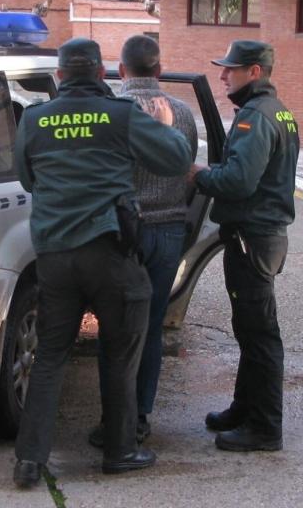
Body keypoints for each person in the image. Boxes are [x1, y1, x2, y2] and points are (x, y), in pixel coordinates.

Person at [12, 37, 193, 488]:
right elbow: (177, 158)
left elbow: (26, 178)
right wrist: (162, 124)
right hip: (111, 254)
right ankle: (121, 449)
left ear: (58, 77)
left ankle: (30, 460)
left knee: (50, 355)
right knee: (121, 349)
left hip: (54, 256)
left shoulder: (35, 119)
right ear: (100, 74)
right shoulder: (120, 115)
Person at [88, 35, 199, 448]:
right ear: (158, 70)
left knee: (114, 328)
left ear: (121, 71)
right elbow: (188, 171)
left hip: (122, 233)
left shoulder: (111, 112)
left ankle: (112, 420)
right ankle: (139, 418)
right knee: (150, 327)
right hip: (168, 232)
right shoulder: (184, 114)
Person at [190, 40, 300, 452]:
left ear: (255, 72)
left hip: (253, 238)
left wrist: (199, 174)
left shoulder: (256, 117)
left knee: (260, 335)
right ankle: (244, 409)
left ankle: (265, 428)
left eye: (230, 70)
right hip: (260, 236)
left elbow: (239, 181)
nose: (223, 76)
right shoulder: (278, 112)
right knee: (248, 329)